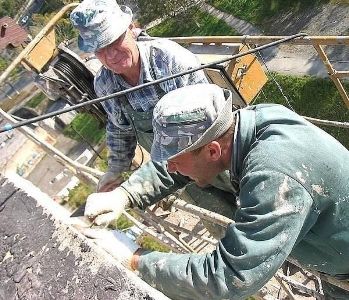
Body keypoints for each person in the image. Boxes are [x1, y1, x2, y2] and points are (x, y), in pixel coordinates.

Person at [82, 84, 349, 300]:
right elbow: (179, 162)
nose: (170, 166)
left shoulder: (275, 178)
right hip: (337, 267)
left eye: (174, 159)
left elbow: (227, 277)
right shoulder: (251, 123)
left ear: (212, 151)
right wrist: (125, 194)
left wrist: (135, 259)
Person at [70, 0, 237, 236]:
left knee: (256, 207)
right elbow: (120, 129)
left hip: (213, 154)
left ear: (131, 29)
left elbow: (213, 120)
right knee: (222, 226)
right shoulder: (105, 84)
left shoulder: (170, 61)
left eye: (114, 41)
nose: (111, 55)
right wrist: (115, 170)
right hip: (176, 171)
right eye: (100, 49)